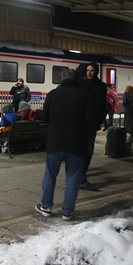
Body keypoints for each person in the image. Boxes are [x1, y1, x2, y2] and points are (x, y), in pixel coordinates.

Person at [35, 69, 93, 221]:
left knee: (50, 175)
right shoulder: (85, 96)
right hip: (76, 144)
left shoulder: (53, 94)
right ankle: (67, 212)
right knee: (73, 178)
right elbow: (90, 122)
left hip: (55, 142)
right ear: (77, 80)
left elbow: (45, 116)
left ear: (62, 79)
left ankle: (46, 206)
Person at [76, 62, 106, 191]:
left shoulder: (101, 86)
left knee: (88, 150)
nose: (89, 73)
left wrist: (100, 121)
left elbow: (102, 105)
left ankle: (80, 175)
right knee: (81, 150)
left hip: (92, 123)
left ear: (96, 72)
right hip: (80, 121)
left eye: (92, 70)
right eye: (88, 70)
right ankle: (80, 177)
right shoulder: (80, 83)